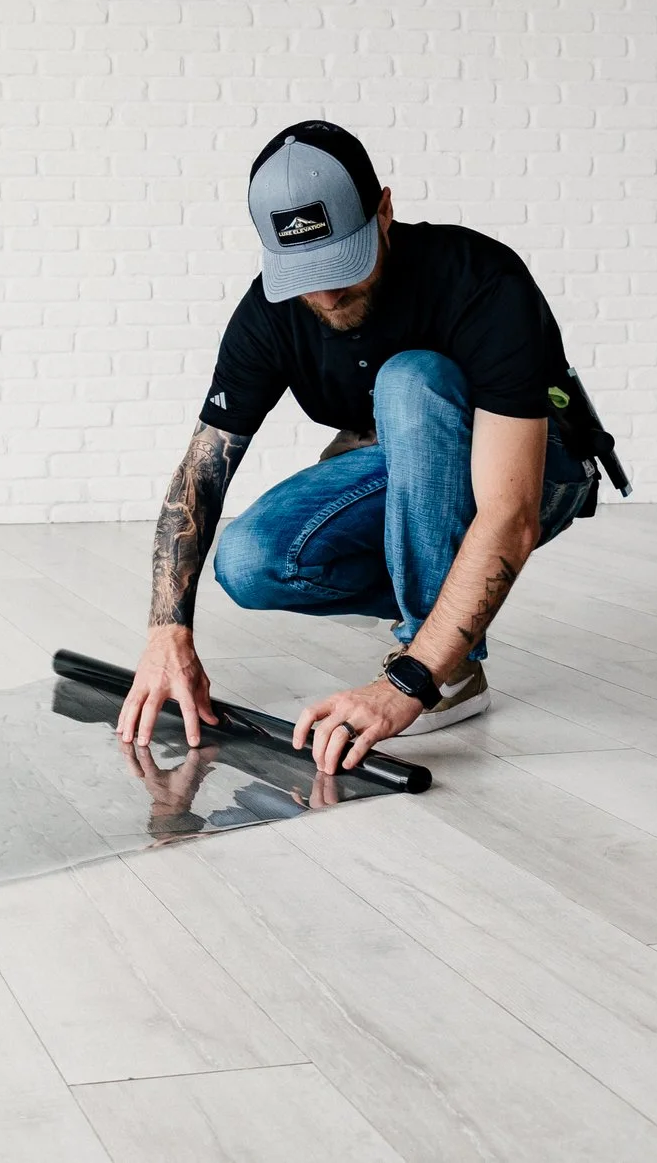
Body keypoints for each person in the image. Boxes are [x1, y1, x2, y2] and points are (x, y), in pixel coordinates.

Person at [115, 121, 602, 774]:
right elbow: (202, 469)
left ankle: (448, 673)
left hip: (539, 473)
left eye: (342, 263)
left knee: (410, 380)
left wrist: (409, 682)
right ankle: (437, 617)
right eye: (304, 274)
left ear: (385, 211)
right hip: (413, 473)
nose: (326, 293)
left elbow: (509, 515)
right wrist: (165, 632)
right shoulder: (271, 313)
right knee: (250, 557)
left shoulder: (480, 278)